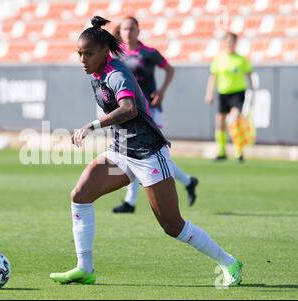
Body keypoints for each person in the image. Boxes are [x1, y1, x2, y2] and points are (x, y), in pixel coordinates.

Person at [49, 16, 242, 286]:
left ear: (105, 52)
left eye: (88, 54)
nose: (82, 59)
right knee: (80, 195)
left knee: (172, 226)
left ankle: (230, 262)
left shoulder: (116, 73)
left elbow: (130, 109)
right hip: (121, 152)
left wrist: (92, 125)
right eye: (80, 53)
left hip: (149, 154)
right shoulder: (95, 72)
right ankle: (85, 268)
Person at [111, 16, 198, 214]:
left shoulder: (148, 53)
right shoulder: (117, 55)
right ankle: (186, 181)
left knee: (152, 152)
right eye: (125, 29)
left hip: (150, 110)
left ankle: (132, 201)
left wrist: (161, 91)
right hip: (129, 112)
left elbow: (169, 69)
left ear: (138, 31)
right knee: (131, 153)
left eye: (132, 28)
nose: (128, 32)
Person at [205, 32, 255, 162]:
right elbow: (213, 76)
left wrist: (253, 90)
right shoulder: (218, 59)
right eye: (227, 41)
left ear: (236, 43)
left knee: (233, 119)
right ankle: (222, 151)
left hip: (238, 93)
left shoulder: (241, 59)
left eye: (232, 41)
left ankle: (239, 151)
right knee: (220, 123)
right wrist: (209, 93)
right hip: (223, 93)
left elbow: (249, 74)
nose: (230, 44)